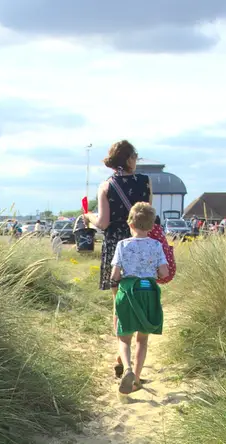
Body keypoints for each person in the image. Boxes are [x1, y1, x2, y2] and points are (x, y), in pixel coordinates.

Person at [93, 139, 152, 380]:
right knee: (143, 294)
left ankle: (121, 354)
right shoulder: (144, 181)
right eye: (135, 156)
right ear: (129, 159)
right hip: (144, 247)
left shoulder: (106, 186)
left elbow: (103, 223)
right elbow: (149, 216)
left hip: (116, 245)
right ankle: (131, 360)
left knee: (120, 302)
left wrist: (88, 217)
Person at [108, 202, 170, 393]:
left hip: (128, 290)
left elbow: (115, 275)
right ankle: (136, 378)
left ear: (130, 224)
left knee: (124, 338)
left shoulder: (123, 245)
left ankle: (126, 368)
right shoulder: (156, 245)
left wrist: (116, 284)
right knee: (142, 339)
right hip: (148, 291)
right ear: (152, 226)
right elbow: (164, 272)